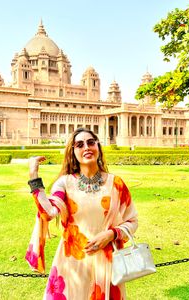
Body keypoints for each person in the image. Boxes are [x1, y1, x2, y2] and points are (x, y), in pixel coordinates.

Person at [26, 127, 138, 300]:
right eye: (80, 144)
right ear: (73, 152)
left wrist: (111, 234)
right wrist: (34, 176)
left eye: (91, 142)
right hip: (72, 264)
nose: (86, 147)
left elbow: (132, 221)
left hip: (106, 264)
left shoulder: (116, 184)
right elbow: (49, 212)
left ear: (98, 148)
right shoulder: (65, 183)